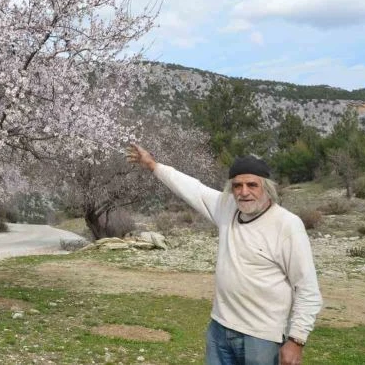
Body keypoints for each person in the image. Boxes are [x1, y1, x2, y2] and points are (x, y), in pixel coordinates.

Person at [128, 143, 322, 365]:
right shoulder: (227, 207)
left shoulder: (287, 225)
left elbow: (307, 288)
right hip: (219, 329)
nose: (244, 192)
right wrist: (153, 165)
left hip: (262, 337)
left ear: (267, 187)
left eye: (252, 184)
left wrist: (296, 340)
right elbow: (193, 189)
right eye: (237, 185)